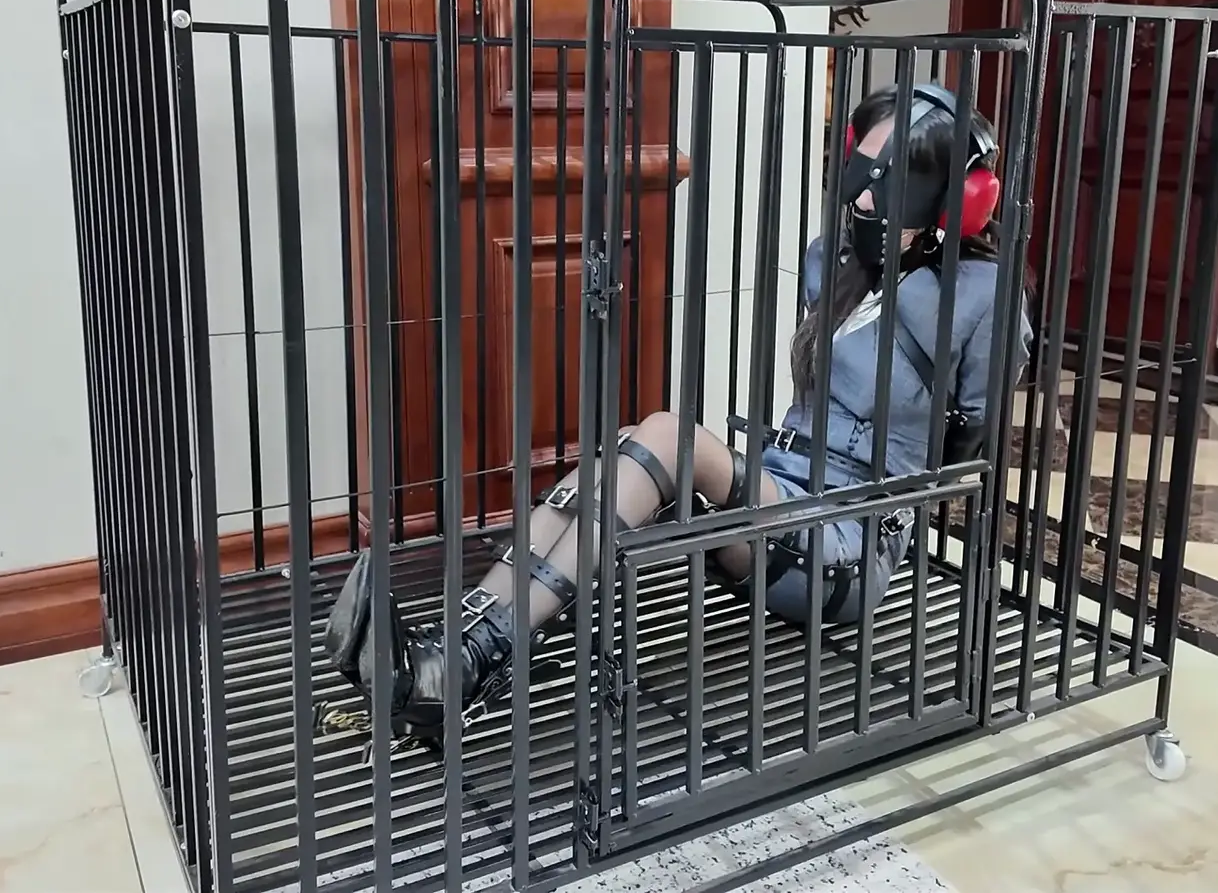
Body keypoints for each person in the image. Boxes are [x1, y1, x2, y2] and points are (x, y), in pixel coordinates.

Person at [324, 82, 1032, 734]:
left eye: (893, 184)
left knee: (667, 435)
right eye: (863, 175)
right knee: (630, 448)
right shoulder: (835, 261)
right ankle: (454, 649)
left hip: (848, 540)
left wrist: (895, 485)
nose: (867, 202)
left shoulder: (983, 295)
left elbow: (967, 440)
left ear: (955, 199)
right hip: (781, 492)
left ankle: (459, 664)